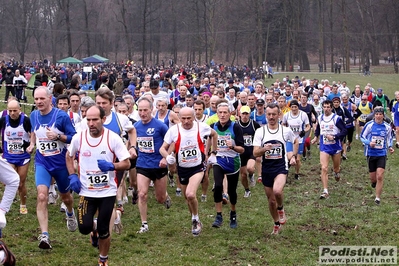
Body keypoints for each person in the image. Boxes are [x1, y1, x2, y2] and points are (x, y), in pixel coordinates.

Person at [66, 105, 131, 266]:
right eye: (88, 120)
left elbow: (127, 163)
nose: (91, 123)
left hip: (107, 191)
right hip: (86, 191)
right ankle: (92, 227)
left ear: (103, 119)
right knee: (83, 227)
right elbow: (69, 156)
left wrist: (112, 166)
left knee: (104, 230)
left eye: (95, 119)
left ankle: (103, 259)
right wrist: (72, 175)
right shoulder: (79, 138)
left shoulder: (113, 138)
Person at [27, 86, 77, 249]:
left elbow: (73, 138)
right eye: (36, 99)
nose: (39, 102)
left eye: (42, 99)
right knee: (42, 196)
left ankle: (70, 213)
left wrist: (57, 136)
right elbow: (34, 131)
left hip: (60, 163)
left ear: (50, 99)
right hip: (42, 162)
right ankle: (45, 236)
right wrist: (32, 143)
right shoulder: (33, 115)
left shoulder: (61, 116)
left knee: (66, 198)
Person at [160, 107, 217, 236]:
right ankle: (195, 218)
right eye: (183, 118)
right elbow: (162, 148)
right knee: (188, 198)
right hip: (183, 168)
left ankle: (195, 220)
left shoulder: (201, 127)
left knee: (191, 194)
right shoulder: (173, 130)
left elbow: (214, 134)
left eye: (189, 118)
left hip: (198, 166)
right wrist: (167, 156)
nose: (186, 121)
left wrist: (213, 152)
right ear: (179, 119)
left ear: (193, 117)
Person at [253, 102, 298, 234]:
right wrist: (263, 149)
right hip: (266, 168)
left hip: (281, 167)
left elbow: (295, 141)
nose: (271, 117)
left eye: (274, 114)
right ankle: (276, 223)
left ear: (279, 115)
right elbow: (255, 153)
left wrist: (293, 156)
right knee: (271, 201)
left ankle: (281, 209)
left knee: (277, 191)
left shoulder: (286, 131)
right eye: (269, 114)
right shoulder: (260, 132)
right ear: (266, 115)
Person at [134, 97, 171, 234]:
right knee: (142, 194)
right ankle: (144, 224)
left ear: (151, 110)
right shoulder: (136, 127)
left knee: (159, 199)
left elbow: (171, 141)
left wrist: (166, 158)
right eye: (140, 110)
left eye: (145, 110)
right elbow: (131, 143)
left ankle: (165, 196)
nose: (142, 113)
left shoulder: (160, 126)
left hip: (159, 165)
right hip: (143, 164)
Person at [210, 102, 245, 229]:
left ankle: (233, 212)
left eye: (225, 112)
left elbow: (242, 150)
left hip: (233, 161)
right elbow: (207, 140)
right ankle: (218, 215)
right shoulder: (213, 126)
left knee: (231, 191)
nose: (223, 115)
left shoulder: (236, 128)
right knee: (218, 185)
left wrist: (233, 146)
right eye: (220, 112)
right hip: (219, 159)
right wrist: (209, 153)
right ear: (217, 113)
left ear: (230, 113)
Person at [311, 100, 347, 199]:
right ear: (322, 108)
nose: (326, 109)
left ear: (331, 108)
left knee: (336, 168)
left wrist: (335, 137)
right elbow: (318, 129)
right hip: (324, 146)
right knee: (324, 168)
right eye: (324, 107)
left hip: (335, 147)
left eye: (328, 107)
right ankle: (325, 191)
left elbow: (344, 130)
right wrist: (315, 137)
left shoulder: (336, 119)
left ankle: (336, 172)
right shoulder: (320, 117)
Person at [0, 100, 31, 214]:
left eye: (15, 110)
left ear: (20, 110)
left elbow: (33, 133)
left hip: (23, 156)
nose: (12, 113)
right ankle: (5, 206)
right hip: (9, 155)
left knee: (20, 183)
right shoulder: (4, 120)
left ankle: (23, 204)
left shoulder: (26, 120)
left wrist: (30, 144)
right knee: (8, 181)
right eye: (10, 110)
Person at [360, 107, 394, 205]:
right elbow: (362, 137)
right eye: (377, 114)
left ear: (383, 116)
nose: (378, 116)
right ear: (374, 115)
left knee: (380, 176)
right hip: (370, 153)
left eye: (380, 114)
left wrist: (390, 147)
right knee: (373, 178)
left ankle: (377, 198)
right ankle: (373, 182)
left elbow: (389, 138)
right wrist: (368, 142)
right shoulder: (369, 125)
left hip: (381, 154)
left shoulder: (387, 127)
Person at [282, 100, 310, 180]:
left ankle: (297, 173)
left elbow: (308, 126)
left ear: (298, 107)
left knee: (297, 159)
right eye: (292, 107)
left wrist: (304, 131)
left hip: (299, 139)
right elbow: (283, 124)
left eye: (295, 107)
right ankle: (285, 172)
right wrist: (285, 130)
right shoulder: (286, 115)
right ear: (290, 107)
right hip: (290, 139)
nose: (294, 109)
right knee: (289, 157)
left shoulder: (303, 115)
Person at [237, 105, 260, 197]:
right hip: (241, 153)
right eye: (243, 114)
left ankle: (251, 175)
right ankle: (247, 190)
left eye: (247, 114)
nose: (245, 116)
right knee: (243, 175)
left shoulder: (254, 124)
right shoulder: (236, 125)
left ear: (250, 114)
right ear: (240, 114)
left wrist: (258, 149)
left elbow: (260, 137)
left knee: (250, 168)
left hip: (251, 151)